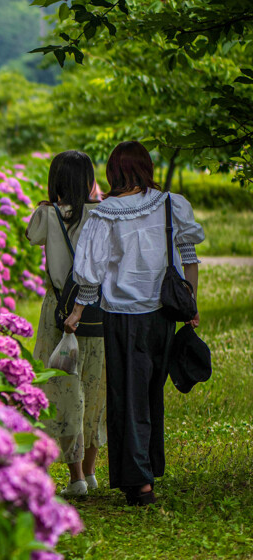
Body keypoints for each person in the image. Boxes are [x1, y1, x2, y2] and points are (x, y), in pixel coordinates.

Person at [66, 141, 204, 506]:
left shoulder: (106, 213)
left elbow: (90, 271)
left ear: (113, 172)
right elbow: (189, 254)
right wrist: (191, 300)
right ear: (146, 168)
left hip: (124, 316)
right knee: (149, 393)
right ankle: (148, 468)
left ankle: (139, 482)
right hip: (163, 314)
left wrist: (78, 311)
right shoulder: (171, 204)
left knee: (127, 396)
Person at [27, 150, 106, 498]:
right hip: (97, 308)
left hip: (57, 309)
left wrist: (52, 202)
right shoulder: (102, 214)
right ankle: (90, 472)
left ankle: (74, 477)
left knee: (64, 389)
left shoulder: (47, 214)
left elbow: (32, 237)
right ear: (89, 179)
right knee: (95, 387)